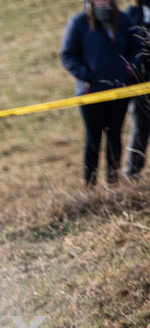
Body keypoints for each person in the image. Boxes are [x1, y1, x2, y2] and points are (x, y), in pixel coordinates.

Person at [60, 1, 139, 187]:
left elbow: (138, 49)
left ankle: (113, 184)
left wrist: (128, 70)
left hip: (119, 91)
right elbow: (67, 54)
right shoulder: (78, 22)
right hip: (90, 93)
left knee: (115, 136)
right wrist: (86, 75)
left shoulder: (124, 20)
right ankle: (90, 185)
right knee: (93, 138)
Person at [125, 0, 150, 179]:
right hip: (140, 80)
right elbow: (127, 45)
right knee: (140, 126)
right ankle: (132, 171)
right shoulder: (131, 14)